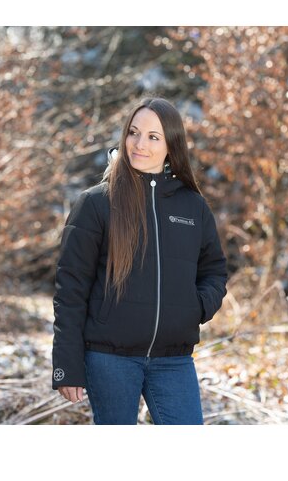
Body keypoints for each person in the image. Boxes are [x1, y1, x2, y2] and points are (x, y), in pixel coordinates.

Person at [51, 97, 228, 425]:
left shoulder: (192, 207)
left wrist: (195, 308)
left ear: (171, 145)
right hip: (109, 358)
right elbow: (70, 290)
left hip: (174, 359)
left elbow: (214, 270)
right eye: (133, 132)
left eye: (153, 137)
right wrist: (67, 366)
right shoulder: (97, 203)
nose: (139, 144)